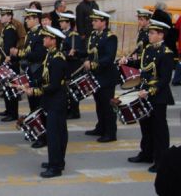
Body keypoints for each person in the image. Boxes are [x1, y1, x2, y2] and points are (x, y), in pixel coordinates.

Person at [122, 19, 175, 173]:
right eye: (149, 33)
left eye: (152, 33)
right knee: (145, 126)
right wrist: (127, 62)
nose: (149, 35)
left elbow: (165, 79)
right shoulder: (148, 49)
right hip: (143, 93)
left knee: (159, 130)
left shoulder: (166, 53)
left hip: (157, 96)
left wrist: (150, 91)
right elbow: (142, 66)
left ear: (160, 35)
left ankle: (161, 161)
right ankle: (146, 154)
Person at [23, 25, 68, 178]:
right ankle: (56, 161)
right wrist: (31, 83)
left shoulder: (58, 59)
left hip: (57, 100)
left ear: (53, 41)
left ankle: (55, 166)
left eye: (46, 37)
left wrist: (35, 91)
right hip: (51, 100)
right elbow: (44, 77)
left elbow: (54, 85)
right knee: (54, 133)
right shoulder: (50, 55)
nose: (43, 39)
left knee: (55, 134)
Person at [11, 8, 47, 148]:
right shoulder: (31, 34)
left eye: (29, 18)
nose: (26, 21)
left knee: (39, 106)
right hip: (31, 71)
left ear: (36, 19)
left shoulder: (41, 34)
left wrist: (19, 53)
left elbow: (38, 55)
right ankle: (36, 131)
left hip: (38, 72)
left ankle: (43, 136)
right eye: (26, 18)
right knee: (33, 105)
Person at [83, 9, 118, 143]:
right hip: (96, 76)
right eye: (93, 20)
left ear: (104, 22)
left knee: (107, 105)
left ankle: (110, 132)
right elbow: (89, 52)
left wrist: (92, 64)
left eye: (96, 20)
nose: (93, 22)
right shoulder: (94, 35)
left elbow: (109, 58)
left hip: (107, 76)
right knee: (99, 103)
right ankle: (101, 127)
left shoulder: (110, 37)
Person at [0, 7, 19, 121]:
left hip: (10, 63)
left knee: (11, 88)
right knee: (7, 87)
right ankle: (8, 110)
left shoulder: (10, 29)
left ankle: (13, 113)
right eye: (1, 15)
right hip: (6, 62)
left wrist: (1, 58)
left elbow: (8, 49)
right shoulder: (6, 28)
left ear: (9, 17)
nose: (0, 17)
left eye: (3, 15)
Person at [58, 12, 84, 119]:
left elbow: (76, 53)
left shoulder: (73, 36)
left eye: (62, 22)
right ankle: (68, 109)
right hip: (66, 65)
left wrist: (68, 53)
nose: (60, 24)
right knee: (66, 90)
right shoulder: (63, 34)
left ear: (68, 23)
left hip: (73, 66)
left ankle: (74, 112)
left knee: (72, 89)